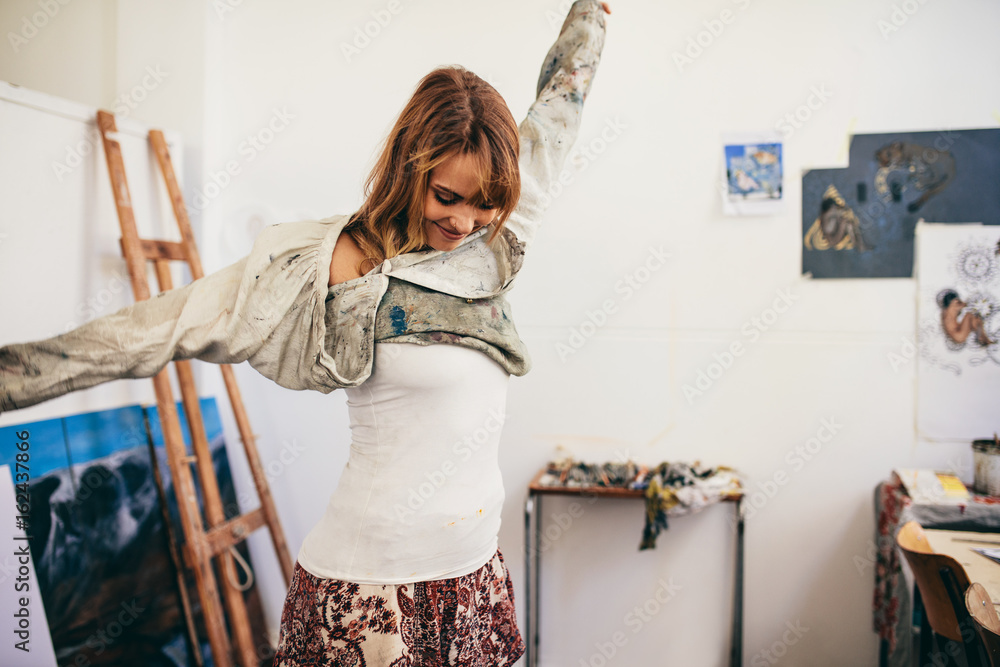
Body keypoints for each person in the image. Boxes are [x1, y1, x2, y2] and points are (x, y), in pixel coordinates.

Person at [0, 1, 609, 665]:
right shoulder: (339, 262)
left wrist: (593, 14)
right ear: (412, 171)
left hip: (473, 576)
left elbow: (561, 105)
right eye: (447, 196)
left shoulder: (497, 245)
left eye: (484, 201)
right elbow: (159, 328)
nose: (466, 219)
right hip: (371, 591)